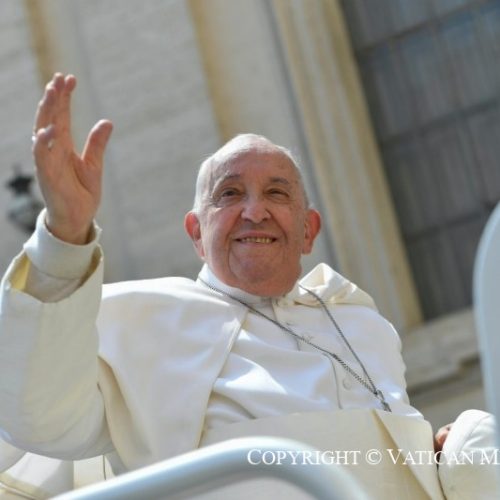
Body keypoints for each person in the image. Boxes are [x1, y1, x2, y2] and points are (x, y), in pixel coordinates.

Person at [0, 74, 495, 499]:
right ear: (196, 233)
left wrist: (430, 454)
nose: (255, 211)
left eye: (276, 193)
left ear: (308, 230)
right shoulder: (140, 322)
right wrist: (65, 236)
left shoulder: (360, 321)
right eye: (230, 193)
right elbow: (40, 417)